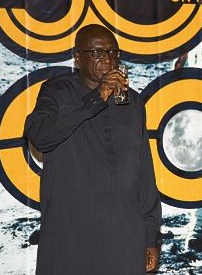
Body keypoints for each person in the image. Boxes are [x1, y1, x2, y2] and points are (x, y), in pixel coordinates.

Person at [24, 24, 161, 274]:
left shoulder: (133, 102)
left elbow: (144, 175)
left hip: (124, 236)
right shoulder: (57, 91)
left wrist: (150, 237)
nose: (108, 60)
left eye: (113, 52)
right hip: (71, 237)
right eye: (98, 53)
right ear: (78, 57)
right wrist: (97, 97)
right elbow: (40, 136)